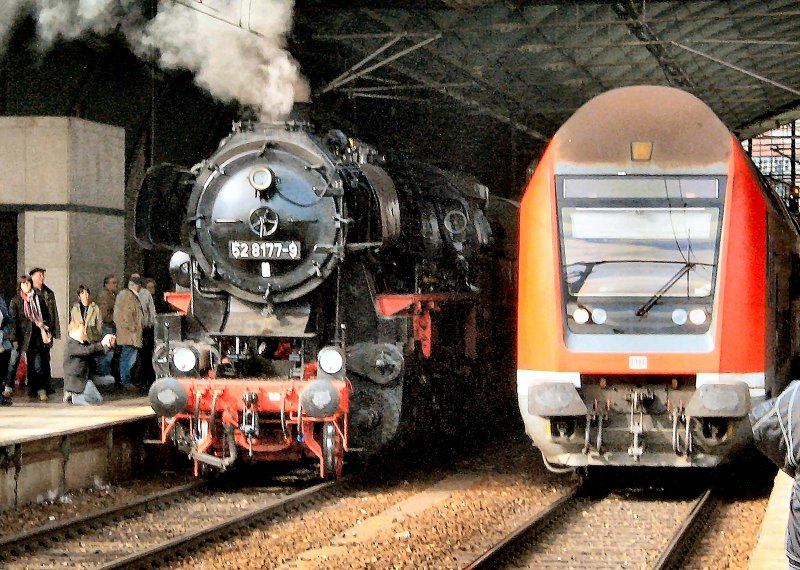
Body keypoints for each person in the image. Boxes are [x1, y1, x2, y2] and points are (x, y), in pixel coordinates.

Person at [8, 275, 52, 401]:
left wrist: (45, 326)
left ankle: (40, 389)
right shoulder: (16, 300)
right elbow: (13, 321)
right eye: (23, 284)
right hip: (20, 336)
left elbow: (47, 315)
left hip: (35, 336)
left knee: (37, 365)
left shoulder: (38, 298)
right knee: (13, 362)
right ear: (20, 286)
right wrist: (14, 339)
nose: (26, 286)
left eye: (28, 283)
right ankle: (9, 387)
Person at [62, 320, 115, 405]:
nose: (85, 333)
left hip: (86, 378)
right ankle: (72, 397)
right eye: (82, 331)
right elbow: (86, 351)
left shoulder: (83, 343)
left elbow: (95, 352)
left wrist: (107, 346)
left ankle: (76, 397)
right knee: (87, 403)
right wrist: (101, 344)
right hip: (76, 381)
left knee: (101, 395)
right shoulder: (70, 344)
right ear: (74, 331)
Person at [29, 267, 59, 391]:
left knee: (46, 358)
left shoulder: (48, 292)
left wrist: (53, 330)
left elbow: (54, 313)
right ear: (32, 277)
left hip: (46, 329)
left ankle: (46, 385)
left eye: (42, 275)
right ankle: (34, 386)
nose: (42, 277)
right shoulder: (29, 293)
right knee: (33, 359)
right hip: (32, 331)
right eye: (39, 275)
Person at [113, 275, 143, 392]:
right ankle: (125, 381)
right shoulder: (127, 296)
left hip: (130, 334)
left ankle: (126, 380)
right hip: (130, 335)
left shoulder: (127, 295)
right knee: (128, 358)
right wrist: (133, 328)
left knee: (129, 357)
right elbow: (126, 314)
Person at [133, 273, 156, 388]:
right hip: (143, 328)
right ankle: (142, 378)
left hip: (142, 328)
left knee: (143, 354)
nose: (152, 290)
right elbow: (152, 313)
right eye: (150, 287)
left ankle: (142, 378)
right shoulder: (145, 295)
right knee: (142, 355)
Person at [96, 274, 118, 378]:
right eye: (113, 283)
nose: (116, 285)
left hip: (110, 326)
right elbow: (104, 314)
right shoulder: (104, 296)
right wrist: (115, 319)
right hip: (107, 326)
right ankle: (103, 375)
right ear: (106, 284)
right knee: (107, 353)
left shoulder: (112, 295)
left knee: (109, 353)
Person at [0, 278, 13, 405]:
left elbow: (8, 318)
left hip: (3, 340)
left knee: (3, 369)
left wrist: (6, 334)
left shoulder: (1, 299)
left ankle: (1, 395)